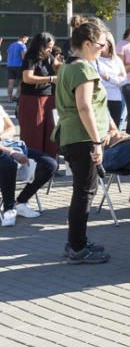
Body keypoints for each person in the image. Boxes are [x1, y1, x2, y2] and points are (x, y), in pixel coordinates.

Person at [56, 21, 112, 264]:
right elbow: (84, 106)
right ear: (87, 44)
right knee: (84, 193)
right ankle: (77, 247)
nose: (103, 49)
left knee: (82, 191)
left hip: (72, 136)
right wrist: (97, 141)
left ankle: (76, 242)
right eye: (100, 45)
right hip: (82, 138)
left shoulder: (68, 66)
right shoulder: (83, 70)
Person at [0, 107, 57, 226]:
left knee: (49, 164)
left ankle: (21, 201)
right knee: (8, 163)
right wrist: (11, 152)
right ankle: (9, 208)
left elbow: (11, 128)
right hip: (6, 150)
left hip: (6, 144)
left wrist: (2, 137)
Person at [19, 32, 60, 157]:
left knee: (50, 133)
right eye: (48, 46)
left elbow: (58, 66)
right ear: (40, 45)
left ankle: (49, 162)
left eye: (52, 46)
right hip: (33, 99)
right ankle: (33, 165)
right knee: (34, 134)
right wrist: (51, 79)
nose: (50, 49)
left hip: (49, 98)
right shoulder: (31, 57)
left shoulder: (49, 56)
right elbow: (27, 78)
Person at [95, 32, 128, 130]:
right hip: (101, 99)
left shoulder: (117, 60)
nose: (99, 45)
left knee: (115, 129)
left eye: (102, 43)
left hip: (116, 99)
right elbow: (98, 80)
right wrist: (116, 79)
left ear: (109, 43)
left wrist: (109, 78)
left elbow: (124, 80)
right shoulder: (95, 60)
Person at [7, 33, 28, 103]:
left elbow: (8, 54)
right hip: (19, 66)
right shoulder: (22, 46)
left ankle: (9, 98)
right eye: (26, 39)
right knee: (21, 82)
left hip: (10, 66)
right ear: (23, 38)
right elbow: (23, 57)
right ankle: (16, 96)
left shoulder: (11, 45)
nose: (26, 41)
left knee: (10, 83)